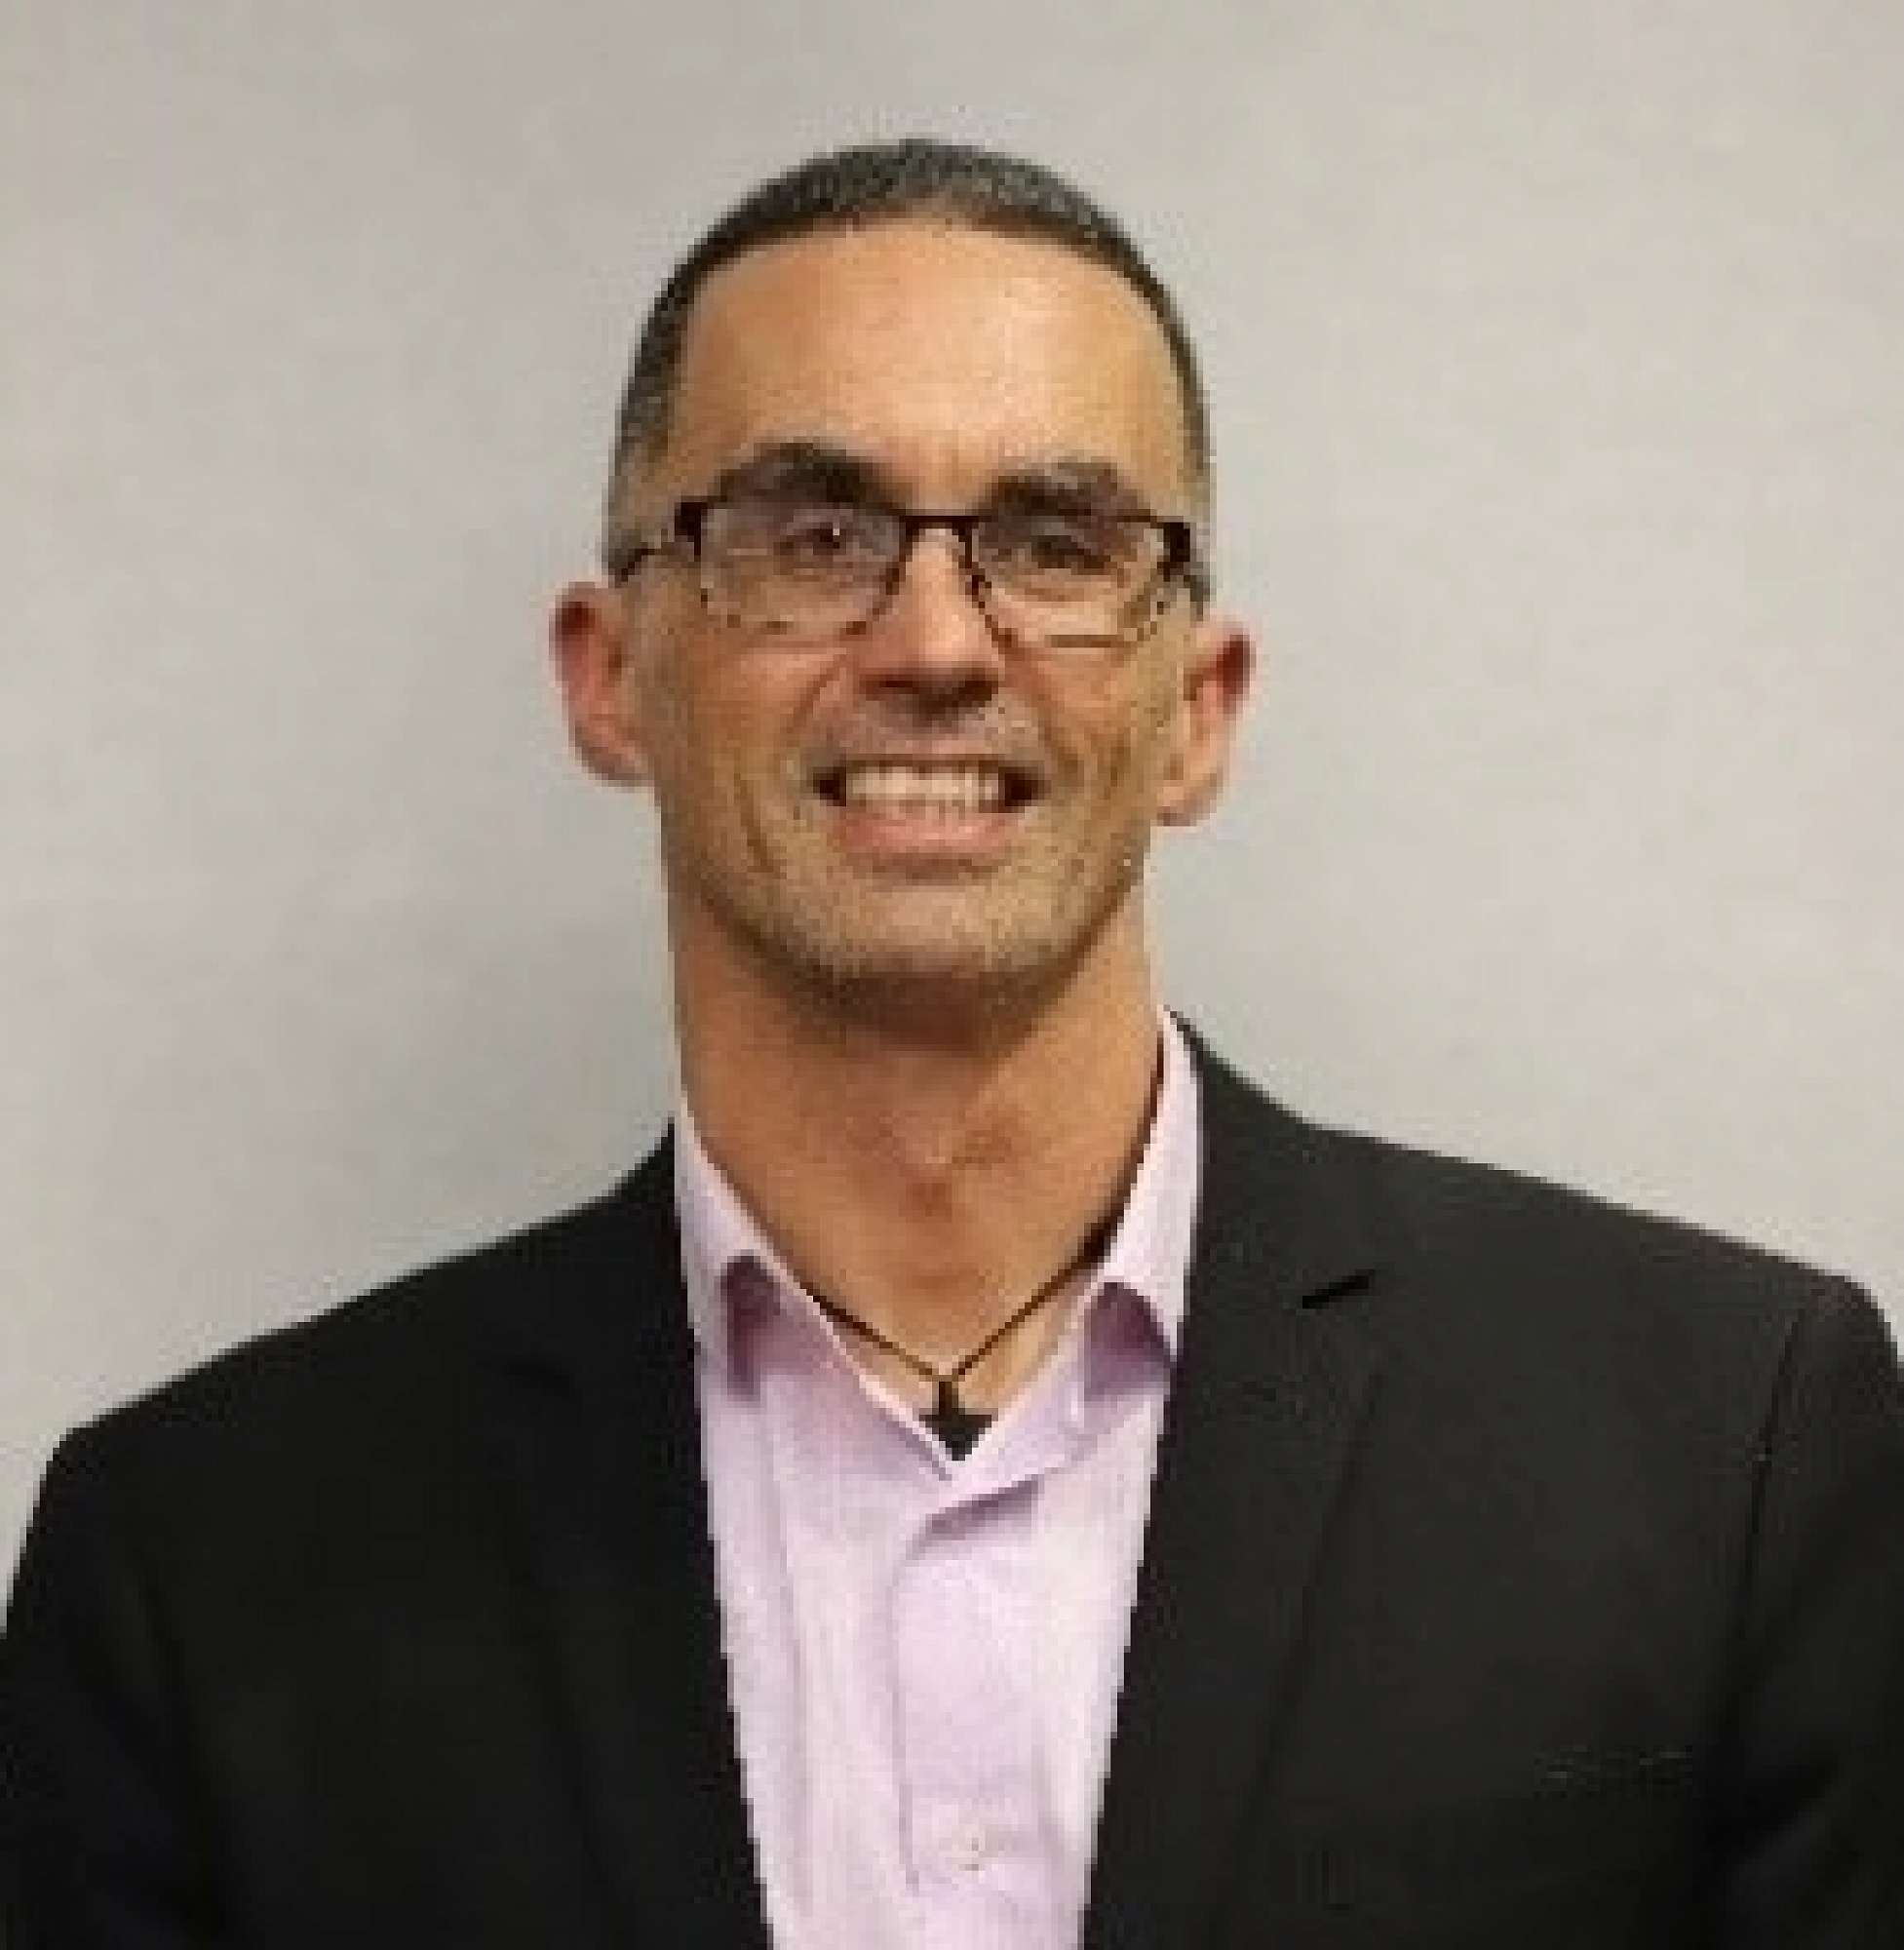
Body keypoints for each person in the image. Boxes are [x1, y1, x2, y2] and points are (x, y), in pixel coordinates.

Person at [4, 137, 1902, 1950]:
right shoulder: (197, 1570)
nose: (933, 641)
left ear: (1198, 709)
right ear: (610, 676)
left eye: (1055, 541)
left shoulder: (1720, 1448)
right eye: (811, 532)